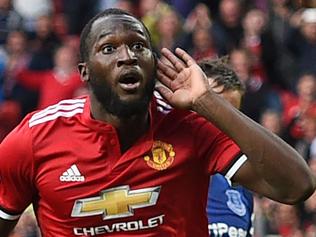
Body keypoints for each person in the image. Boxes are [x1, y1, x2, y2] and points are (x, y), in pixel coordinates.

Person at [0, 8, 315, 237]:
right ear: (85, 71)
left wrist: (208, 102)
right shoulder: (35, 137)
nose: (128, 56)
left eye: (139, 46)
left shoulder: (190, 124)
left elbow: (296, 186)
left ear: (154, 63)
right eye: (108, 48)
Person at [198, 59, 254, 237]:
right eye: (213, 109)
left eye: (232, 115)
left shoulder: (242, 187)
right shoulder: (163, 173)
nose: (222, 124)